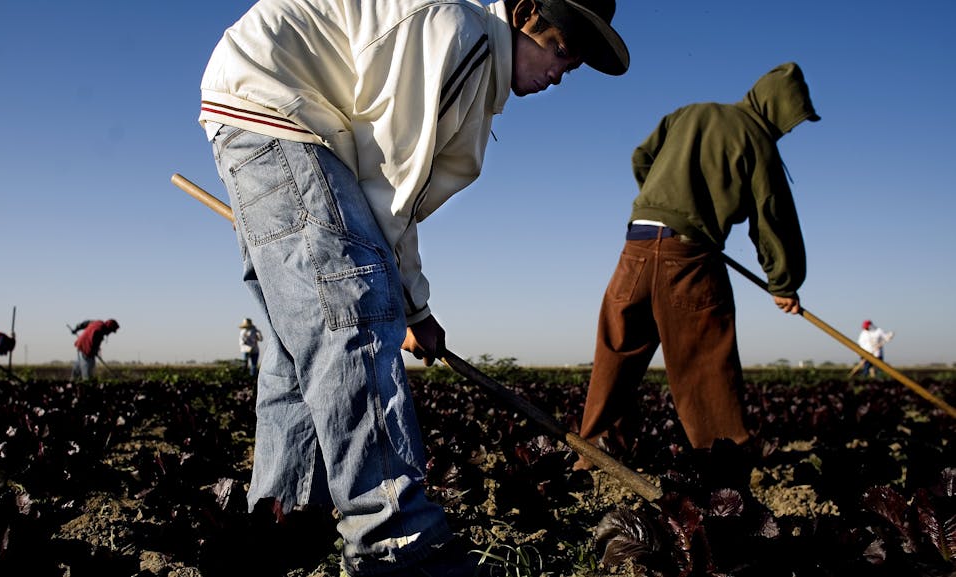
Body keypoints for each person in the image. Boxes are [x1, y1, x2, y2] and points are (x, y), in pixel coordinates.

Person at [198, 0, 629, 574]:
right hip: (278, 108)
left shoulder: (474, 65)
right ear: (525, 13)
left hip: (265, 111)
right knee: (353, 314)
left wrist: (413, 306)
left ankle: (283, 528)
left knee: (299, 346)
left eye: (572, 66)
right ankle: (397, 544)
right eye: (561, 50)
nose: (561, 72)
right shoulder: (456, 33)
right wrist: (406, 306)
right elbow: (390, 192)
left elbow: (394, 203)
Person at [574, 62, 820, 469]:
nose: (788, 131)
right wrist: (784, 283)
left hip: (635, 245)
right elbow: (772, 220)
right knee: (706, 358)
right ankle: (726, 464)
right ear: (777, 109)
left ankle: (595, 451)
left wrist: (666, 203)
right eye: (790, 123)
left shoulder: (690, 113)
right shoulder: (757, 138)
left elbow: (642, 157)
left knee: (618, 348)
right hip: (688, 258)